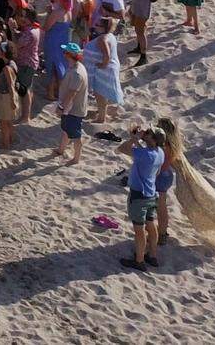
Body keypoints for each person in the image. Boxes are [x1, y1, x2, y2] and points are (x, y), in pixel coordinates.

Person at [117, 125, 166, 272]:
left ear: (154, 139)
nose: (146, 132)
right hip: (151, 194)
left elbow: (122, 148)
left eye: (149, 133)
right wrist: (139, 140)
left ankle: (139, 261)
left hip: (138, 195)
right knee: (151, 225)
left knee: (139, 230)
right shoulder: (160, 153)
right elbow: (154, 170)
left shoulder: (144, 154)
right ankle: (153, 255)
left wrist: (134, 138)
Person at [82, 17, 123, 122]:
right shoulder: (110, 36)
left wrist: (103, 64)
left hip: (104, 70)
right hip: (111, 67)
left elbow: (107, 54)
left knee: (100, 94)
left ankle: (101, 118)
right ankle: (102, 113)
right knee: (103, 93)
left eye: (98, 25)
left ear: (103, 28)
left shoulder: (102, 39)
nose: (95, 27)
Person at [54, 43, 88, 165]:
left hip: (73, 109)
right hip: (70, 108)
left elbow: (72, 94)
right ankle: (61, 149)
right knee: (65, 129)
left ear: (69, 55)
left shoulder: (76, 73)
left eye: (65, 53)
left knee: (75, 135)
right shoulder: (76, 67)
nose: (63, 54)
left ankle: (76, 158)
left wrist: (61, 107)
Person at [127, 0, 159, 68]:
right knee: (136, 28)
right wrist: (131, 6)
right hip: (135, 7)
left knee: (141, 31)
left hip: (143, 9)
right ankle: (138, 47)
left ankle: (144, 55)